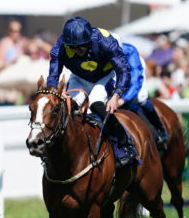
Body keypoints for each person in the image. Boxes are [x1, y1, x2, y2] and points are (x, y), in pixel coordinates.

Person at [46, 16, 165, 167]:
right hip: (80, 77)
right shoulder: (60, 47)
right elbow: (53, 75)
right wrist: (54, 90)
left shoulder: (105, 41)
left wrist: (116, 95)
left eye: (82, 46)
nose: (78, 51)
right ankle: (53, 150)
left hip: (106, 76)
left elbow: (123, 71)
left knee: (96, 103)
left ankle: (125, 145)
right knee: (69, 107)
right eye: (74, 47)